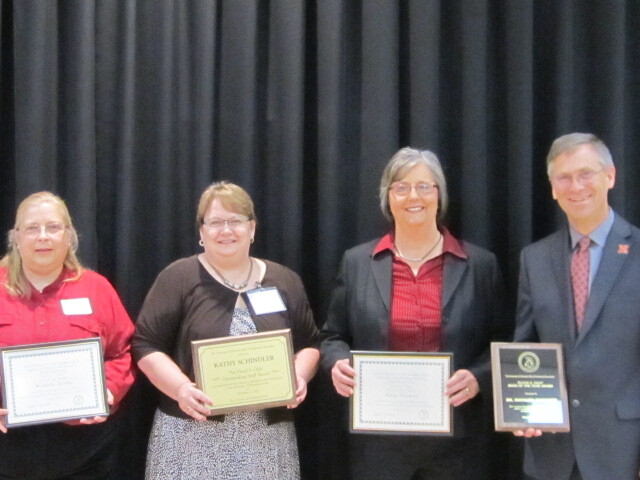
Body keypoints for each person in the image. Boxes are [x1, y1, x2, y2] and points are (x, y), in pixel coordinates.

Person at [320, 147, 509, 480]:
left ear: (439, 195)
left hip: (457, 439)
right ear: (388, 197)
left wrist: (479, 378)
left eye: (424, 186)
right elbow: (333, 335)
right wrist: (337, 363)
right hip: (378, 439)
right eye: (401, 187)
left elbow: (503, 341)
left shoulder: (480, 265)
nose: (413, 196)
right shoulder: (357, 263)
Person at [132, 181, 320, 479]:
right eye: (215, 222)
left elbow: (309, 342)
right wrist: (181, 390)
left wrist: (298, 376)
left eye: (235, 221)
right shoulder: (178, 278)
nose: (226, 230)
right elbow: (145, 345)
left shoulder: (284, 280)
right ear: (201, 232)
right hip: (191, 435)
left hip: (265, 441)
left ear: (252, 228)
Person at [513, 133, 640, 480]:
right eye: (563, 177)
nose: (576, 186)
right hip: (552, 453)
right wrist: (522, 409)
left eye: (586, 173)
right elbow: (526, 347)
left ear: (610, 176)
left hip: (623, 451)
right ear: (553, 188)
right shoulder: (534, 259)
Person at [0, 191, 135, 479]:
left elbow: (121, 353)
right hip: (7, 448)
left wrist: (107, 392)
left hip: (84, 452)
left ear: (69, 236)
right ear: (16, 237)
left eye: (53, 227)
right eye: (32, 228)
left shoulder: (97, 289)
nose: (43, 237)